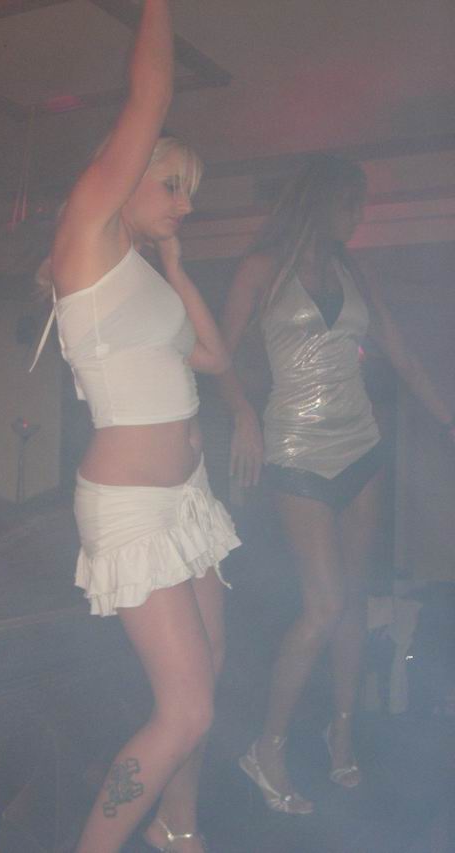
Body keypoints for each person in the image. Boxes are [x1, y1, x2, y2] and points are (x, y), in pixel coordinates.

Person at [37, 3, 241, 850]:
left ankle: (178, 830)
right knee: (186, 708)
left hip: (188, 495)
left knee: (209, 676)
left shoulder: (147, 275)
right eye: (172, 184)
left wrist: (178, 265)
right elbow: (150, 94)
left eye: (192, 192)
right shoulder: (87, 232)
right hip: (132, 506)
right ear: (125, 174)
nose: (186, 205)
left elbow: (214, 358)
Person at [216, 154, 455, 814]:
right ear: (322, 201)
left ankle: (341, 730)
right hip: (295, 450)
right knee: (322, 604)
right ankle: (265, 747)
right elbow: (216, 354)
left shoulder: (354, 272)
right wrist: (242, 414)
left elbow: (400, 353)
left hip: (360, 448)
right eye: (352, 204)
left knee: (352, 597)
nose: (358, 217)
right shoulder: (261, 270)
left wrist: (447, 420)